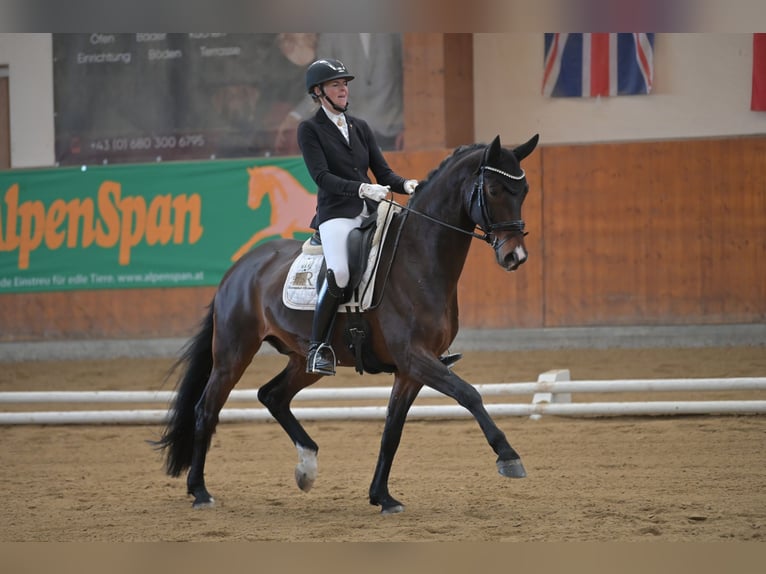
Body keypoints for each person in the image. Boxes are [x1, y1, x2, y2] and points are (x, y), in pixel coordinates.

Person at [297, 58, 418, 376]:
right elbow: (321, 177)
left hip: (371, 210)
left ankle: (421, 340)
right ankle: (318, 347)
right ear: (318, 92)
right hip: (337, 213)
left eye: (345, 84)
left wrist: (406, 184)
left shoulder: (360, 127)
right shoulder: (310, 129)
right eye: (336, 84)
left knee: (405, 254)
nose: (343, 89)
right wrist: (363, 189)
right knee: (338, 272)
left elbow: (383, 172)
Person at [276, 33, 404, 153]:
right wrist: (296, 116)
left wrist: (411, 127)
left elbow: (412, 76)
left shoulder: (395, 30)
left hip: (394, 133)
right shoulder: (332, 35)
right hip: (352, 134)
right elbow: (322, 84)